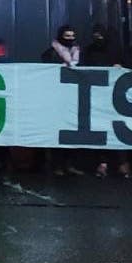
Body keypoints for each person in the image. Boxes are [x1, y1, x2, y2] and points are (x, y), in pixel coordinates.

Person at [82, 26, 127, 178]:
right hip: (98, 95)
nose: (98, 37)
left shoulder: (115, 50)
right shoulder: (89, 50)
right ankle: (103, 162)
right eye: (95, 34)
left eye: (100, 34)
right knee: (101, 129)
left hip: (113, 95)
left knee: (116, 128)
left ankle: (119, 162)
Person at [42, 26, 85, 177]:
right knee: (59, 132)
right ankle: (57, 165)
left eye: (72, 36)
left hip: (73, 97)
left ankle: (70, 164)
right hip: (57, 97)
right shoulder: (51, 53)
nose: (70, 39)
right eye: (67, 36)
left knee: (73, 130)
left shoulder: (78, 53)